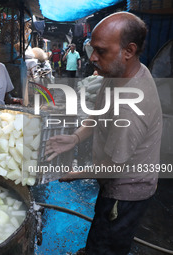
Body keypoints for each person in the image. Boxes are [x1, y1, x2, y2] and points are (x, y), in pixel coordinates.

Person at [45, 12, 162, 255]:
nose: (93, 58)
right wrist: (75, 137)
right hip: (112, 180)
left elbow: (114, 167)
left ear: (128, 51)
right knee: (101, 227)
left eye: (101, 51)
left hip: (127, 190)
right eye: (91, 50)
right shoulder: (117, 74)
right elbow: (98, 115)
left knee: (110, 240)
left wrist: (74, 173)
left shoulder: (131, 106)